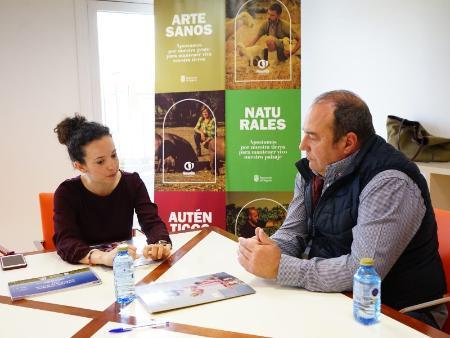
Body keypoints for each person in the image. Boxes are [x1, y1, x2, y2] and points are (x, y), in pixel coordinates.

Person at [238, 90, 448, 329]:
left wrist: (280, 267)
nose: (302, 145)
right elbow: (293, 233)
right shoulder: (313, 168)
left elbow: (361, 271)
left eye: (313, 137)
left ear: (348, 142)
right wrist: (267, 249)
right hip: (337, 298)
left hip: (396, 312)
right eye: (304, 133)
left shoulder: (389, 183)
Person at [53, 115, 172, 266]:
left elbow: (152, 223)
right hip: (87, 267)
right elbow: (65, 241)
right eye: (100, 161)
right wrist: (103, 258)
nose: (112, 165)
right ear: (80, 166)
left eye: (113, 155)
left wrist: (160, 245)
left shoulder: (132, 182)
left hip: (124, 269)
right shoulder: (66, 193)